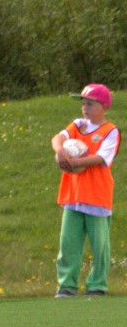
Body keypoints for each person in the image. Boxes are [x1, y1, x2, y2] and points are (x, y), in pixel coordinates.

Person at [51, 83, 120, 297]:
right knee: (68, 243)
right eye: (83, 103)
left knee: (99, 246)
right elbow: (58, 138)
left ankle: (97, 285)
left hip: (97, 195)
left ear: (104, 106)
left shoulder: (110, 131)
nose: (84, 108)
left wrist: (74, 162)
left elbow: (101, 158)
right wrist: (60, 151)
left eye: (90, 104)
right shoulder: (78, 125)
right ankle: (67, 285)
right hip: (73, 195)